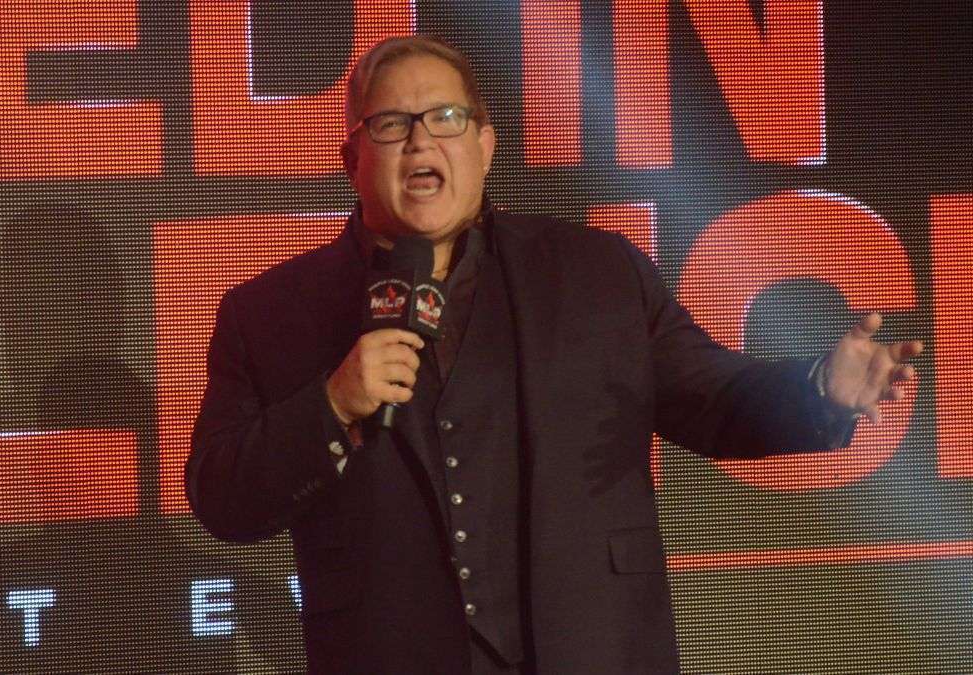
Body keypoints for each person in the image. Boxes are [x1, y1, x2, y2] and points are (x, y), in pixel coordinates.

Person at [186, 35, 923, 674]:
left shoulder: (596, 274)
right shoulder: (268, 312)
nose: (421, 143)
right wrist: (334, 403)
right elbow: (222, 497)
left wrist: (821, 387)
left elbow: (714, 397)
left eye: (446, 118)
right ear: (351, 158)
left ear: (484, 146)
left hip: (591, 650)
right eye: (391, 124)